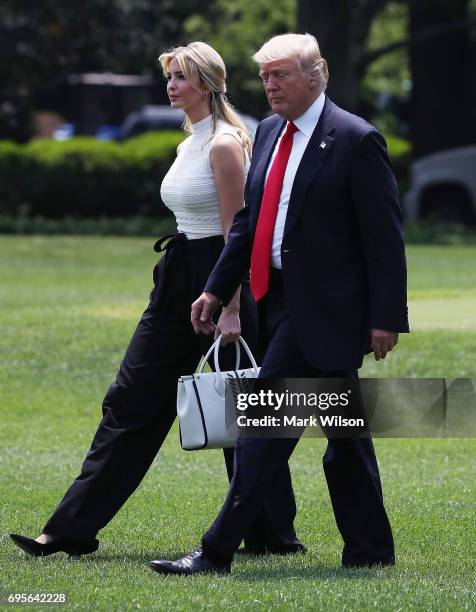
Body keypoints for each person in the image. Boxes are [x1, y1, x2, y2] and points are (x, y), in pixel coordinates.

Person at [9, 41, 303, 558]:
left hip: (221, 277)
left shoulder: (225, 144)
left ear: (208, 84)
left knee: (242, 412)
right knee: (133, 401)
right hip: (178, 278)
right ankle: (69, 530)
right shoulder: (188, 140)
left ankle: (272, 534)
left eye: (182, 77)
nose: (171, 86)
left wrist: (231, 308)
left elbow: (241, 231)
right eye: (169, 76)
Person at [149, 33, 409, 576]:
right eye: (265, 76)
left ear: (317, 74)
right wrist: (217, 289)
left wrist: (386, 318)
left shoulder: (355, 139)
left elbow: (384, 239)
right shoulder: (266, 132)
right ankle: (371, 552)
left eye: (281, 75)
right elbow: (246, 224)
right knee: (345, 437)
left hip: (329, 310)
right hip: (276, 299)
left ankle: (216, 549)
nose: (270, 86)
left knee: (264, 424)